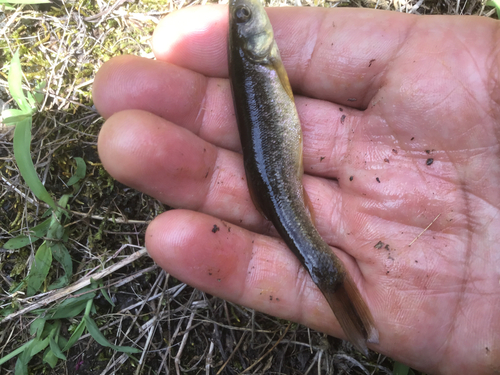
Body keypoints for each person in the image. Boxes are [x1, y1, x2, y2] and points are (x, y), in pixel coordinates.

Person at [92, 5, 500, 374]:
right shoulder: (258, 60)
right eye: (244, 19)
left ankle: (344, 302)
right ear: (247, 42)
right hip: (278, 184)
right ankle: (331, 280)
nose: (249, 13)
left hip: (278, 183)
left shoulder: (260, 59)